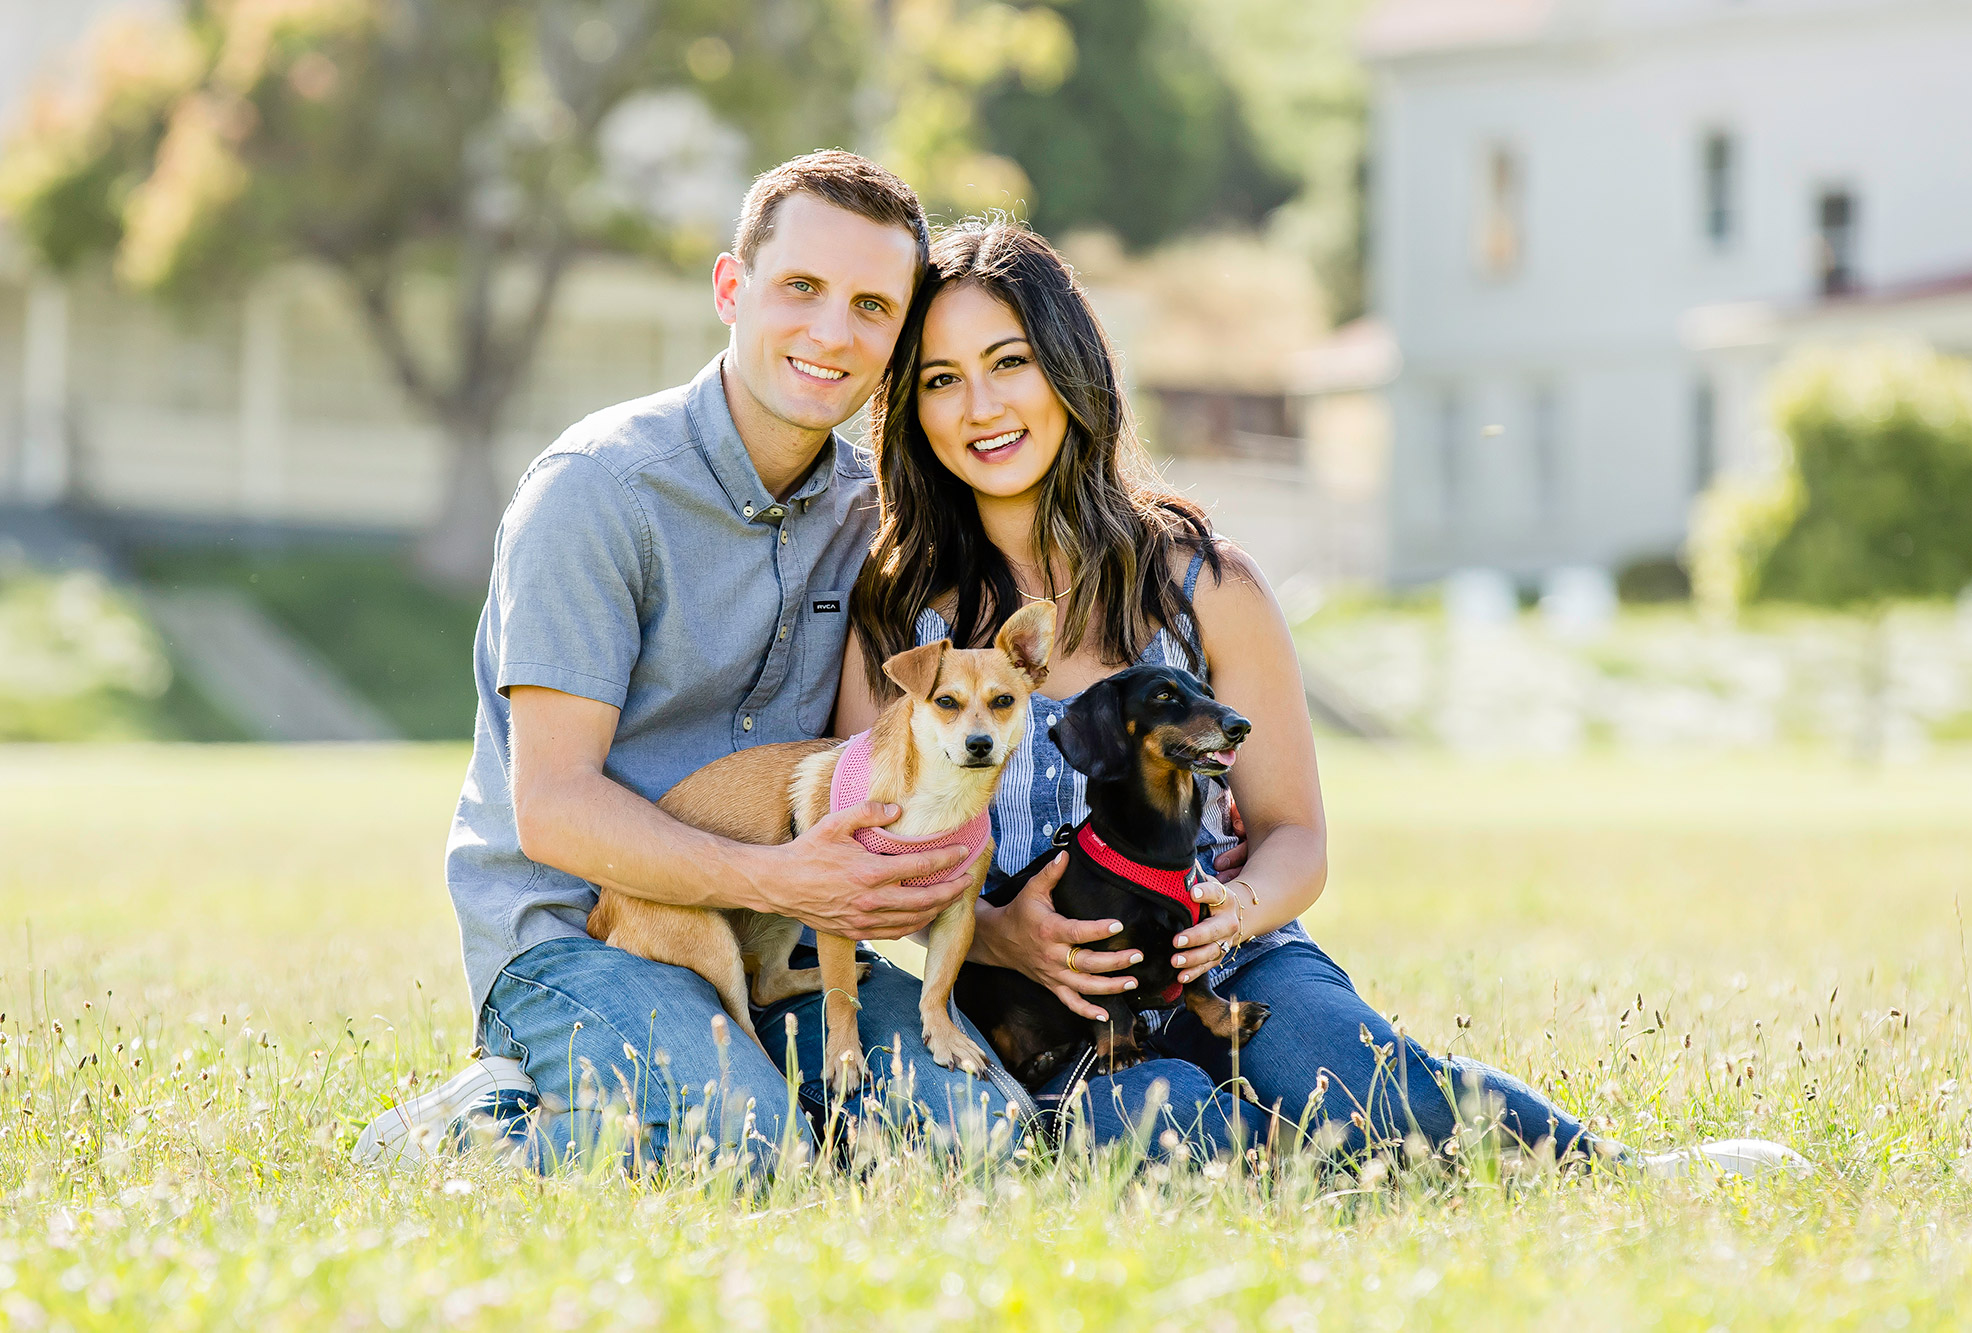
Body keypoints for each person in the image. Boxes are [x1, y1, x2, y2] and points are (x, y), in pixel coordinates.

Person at [837, 216, 1810, 1178]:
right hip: (1045, 1018)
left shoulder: (1202, 585)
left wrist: (1234, 909)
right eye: (939, 378)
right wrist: (997, 932)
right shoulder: (897, 626)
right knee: (1162, 1124)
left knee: (1360, 1081)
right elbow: (865, 862)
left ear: (1068, 366)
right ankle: (1321, 1169)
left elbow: (1294, 832)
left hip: (1235, 964)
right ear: (910, 409)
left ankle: (1613, 1170)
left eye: (1008, 362)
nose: (979, 404)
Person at [355, 153, 1043, 1174]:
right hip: (583, 939)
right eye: (799, 288)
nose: (829, 332)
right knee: (738, 1146)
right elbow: (552, 808)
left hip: (786, 943)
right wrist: (777, 875)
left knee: (983, 1142)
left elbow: (885, 765)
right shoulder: (596, 494)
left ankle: (772, 1097)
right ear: (732, 288)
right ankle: (465, 1129)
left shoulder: (872, 519)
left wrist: (981, 924)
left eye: (869, 306)